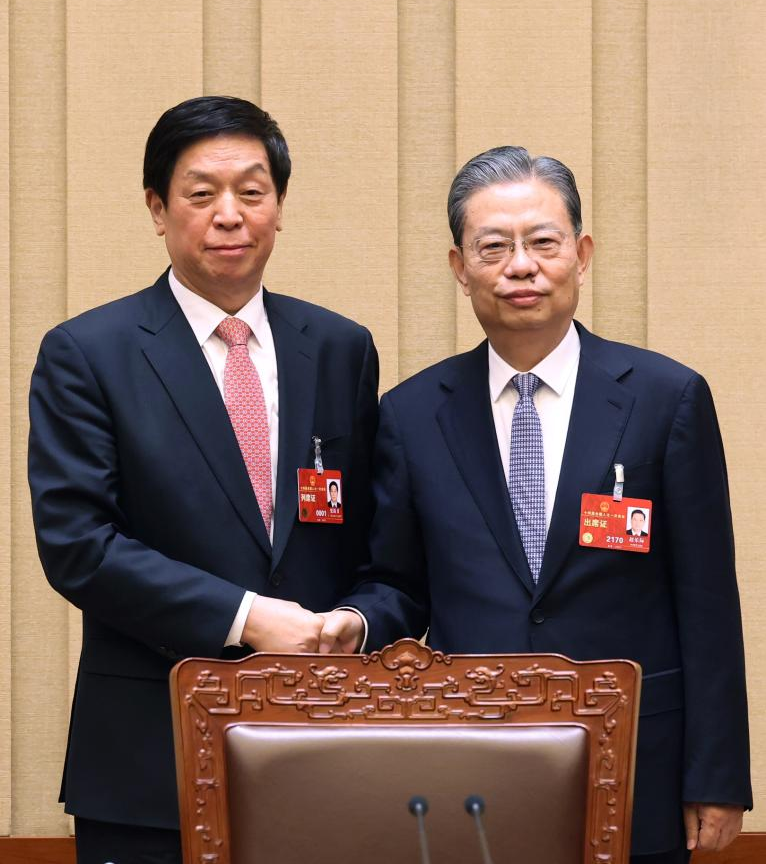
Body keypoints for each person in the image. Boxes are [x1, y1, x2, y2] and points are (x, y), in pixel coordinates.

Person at [321, 146, 751, 864]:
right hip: (466, 759)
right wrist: (358, 621)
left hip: (635, 757)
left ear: (582, 255)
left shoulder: (665, 398)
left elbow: (707, 601)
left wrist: (717, 775)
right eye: (493, 247)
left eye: (543, 242)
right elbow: (399, 582)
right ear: (460, 268)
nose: (520, 266)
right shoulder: (411, 414)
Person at [28, 96, 378, 864]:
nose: (229, 214)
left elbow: (375, 545)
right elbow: (79, 546)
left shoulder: (340, 348)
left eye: (252, 191)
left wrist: (358, 619)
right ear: (158, 208)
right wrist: (248, 617)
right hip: (151, 758)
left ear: (278, 206)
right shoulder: (89, 353)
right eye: (201, 193)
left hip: (323, 745)